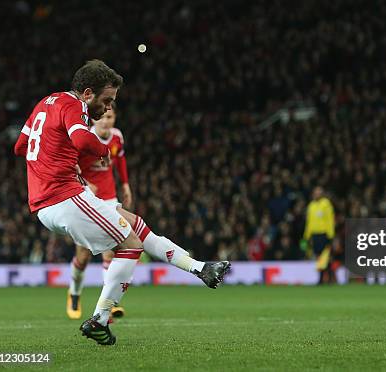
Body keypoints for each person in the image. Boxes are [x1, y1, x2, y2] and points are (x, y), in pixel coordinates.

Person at [14, 60, 230, 345]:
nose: (107, 108)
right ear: (88, 92)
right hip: (63, 196)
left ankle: (200, 268)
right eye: (106, 101)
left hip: (50, 199)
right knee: (131, 247)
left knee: (136, 225)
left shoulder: (45, 103)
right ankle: (100, 319)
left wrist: (49, 162)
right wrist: (102, 150)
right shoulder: (74, 106)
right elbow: (81, 140)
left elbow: (19, 146)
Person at [66, 103, 131, 321]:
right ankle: (74, 294)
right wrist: (84, 184)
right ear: (93, 119)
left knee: (111, 252)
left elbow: (120, 160)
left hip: (110, 199)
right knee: (83, 257)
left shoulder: (116, 137)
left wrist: (125, 185)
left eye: (110, 117)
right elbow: (70, 167)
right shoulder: (84, 140)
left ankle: (108, 303)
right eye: (102, 117)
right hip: (86, 200)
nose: (105, 121)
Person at [303, 186, 335, 284]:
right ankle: (323, 278)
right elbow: (309, 222)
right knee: (318, 256)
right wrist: (307, 236)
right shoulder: (311, 206)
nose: (317, 195)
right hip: (314, 235)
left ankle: (327, 278)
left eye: (319, 193)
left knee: (325, 256)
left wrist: (330, 234)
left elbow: (330, 220)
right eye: (315, 193)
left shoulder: (326, 204)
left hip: (324, 234)